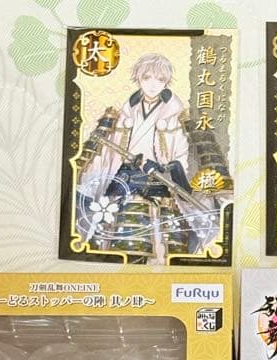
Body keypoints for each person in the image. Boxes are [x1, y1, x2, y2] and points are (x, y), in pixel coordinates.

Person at [77, 53, 217, 263]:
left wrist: (163, 167)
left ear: (166, 82)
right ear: (138, 79)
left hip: (158, 184)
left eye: (160, 79)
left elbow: (183, 157)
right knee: (114, 240)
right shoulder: (123, 113)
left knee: (160, 245)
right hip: (123, 183)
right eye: (147, 78)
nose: (153, 85)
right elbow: (106, 155)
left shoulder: (177, 116)